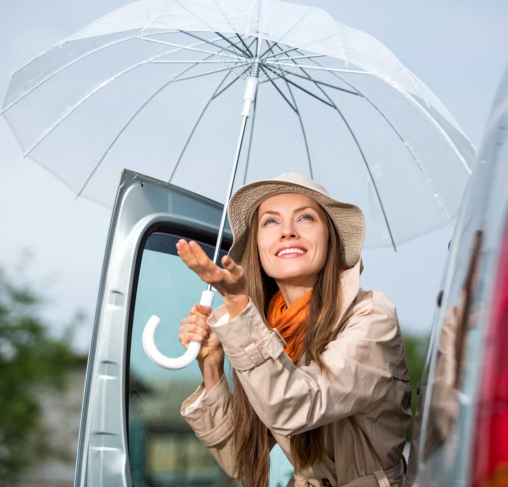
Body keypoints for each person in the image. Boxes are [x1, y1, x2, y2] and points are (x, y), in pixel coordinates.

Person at [176, 173, 412, 487]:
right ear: (257, 247)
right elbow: (239, 458)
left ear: (329, 237)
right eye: (271, 222)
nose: (288, 232)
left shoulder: (372, 317)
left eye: (305, 217)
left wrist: (236, 304)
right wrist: (210, 366)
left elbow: (295, 406)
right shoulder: (259, 329)